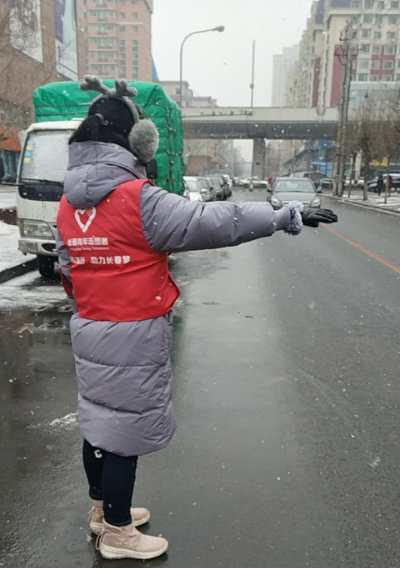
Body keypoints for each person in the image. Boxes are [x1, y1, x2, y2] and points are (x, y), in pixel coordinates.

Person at [56, 77, 337, 561]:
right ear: (135, 143)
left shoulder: (67, 204)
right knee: (123, 432)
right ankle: (119, 532)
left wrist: (97, 296)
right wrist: (280, 215)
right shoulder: (138, 199)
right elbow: (216, 222)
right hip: (133, 330)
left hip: (90, 327)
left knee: (99, 424)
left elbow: (67, 269)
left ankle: (102, 511)